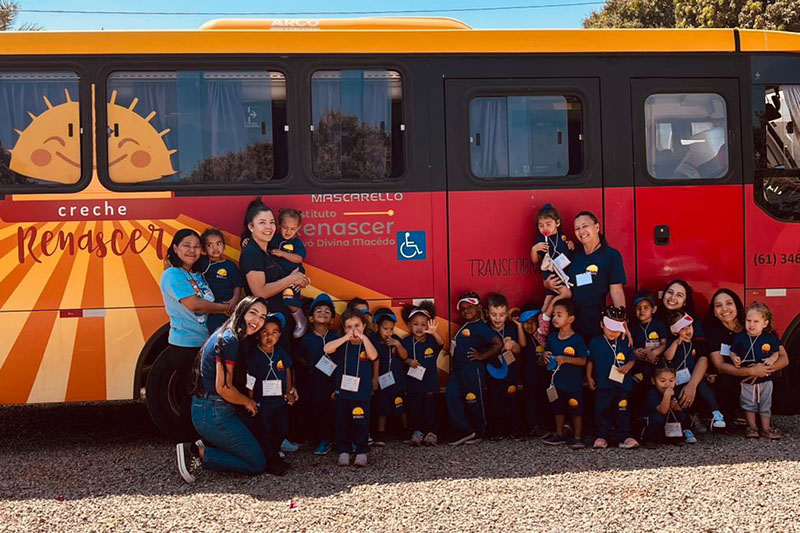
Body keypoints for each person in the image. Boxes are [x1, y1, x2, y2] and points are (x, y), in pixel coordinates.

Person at [175, 296, 268, 483]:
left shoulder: (230, 334)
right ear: (241, 312)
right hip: (213, 413)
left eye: (263, 317)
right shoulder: (230, 340)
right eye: (253, 313)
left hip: (216, 408)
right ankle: (196, 451)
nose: (257, 321)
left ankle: (209, 442)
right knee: (257, 463)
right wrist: (247, 401)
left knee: (260, 442)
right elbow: (223, 388)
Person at [705, 288, 789, 425]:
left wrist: (762, 370)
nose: (724, 309)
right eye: (718, 306)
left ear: (737, 306)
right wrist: (749, 371)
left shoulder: (754, 323)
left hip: (763, 378)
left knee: (787, 401)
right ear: (714, 312)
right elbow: (720, 366)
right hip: (734, 379)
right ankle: (736, 415)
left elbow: (784, 358)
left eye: (729, 303)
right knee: (725, 383)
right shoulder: (713, 333)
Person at [239, 198, 311, 350]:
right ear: (251, 226)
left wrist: (299, 280)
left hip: (279, 324)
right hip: (267, 330)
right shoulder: (252, 253)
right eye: (262, 223)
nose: (269, 227)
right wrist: (291, 279)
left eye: (271, 222)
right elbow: (260, 292)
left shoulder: (269, 251)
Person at [546, 211, 627, 339]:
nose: (581, 231)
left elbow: (616, 291)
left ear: (597, 227)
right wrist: (547, 283)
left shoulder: (611, 256)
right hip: (569, 322)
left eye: (585, 226)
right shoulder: (572, 253)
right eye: (577, 228)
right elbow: (553, 273)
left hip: (595, 321)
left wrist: (622, 322)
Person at [324, 308, 378, 467]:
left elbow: (374, 356)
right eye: (348, 326)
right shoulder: (342, 342)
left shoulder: (368, 342)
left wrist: (364, 338)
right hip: (343, 391)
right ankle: (344, 451)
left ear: (363, 326)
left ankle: (361, 451)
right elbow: (327, 349)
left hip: (361, 392)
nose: (353, 330)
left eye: (357, 325)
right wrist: (345, 337)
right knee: (342, 422)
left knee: (361, 421)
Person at [446, 292, 503, 446]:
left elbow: (498, 343)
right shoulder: (466, 326)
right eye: (463, 309)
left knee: (474, 400)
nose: (466, 311)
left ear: (478, 308)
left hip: (472, 370)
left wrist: (482, 356)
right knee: (452, 396)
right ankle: (464, 430)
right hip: (458, 370)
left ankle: (479, 430)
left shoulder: (480, 327)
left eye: (469, 307)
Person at [246, 312, 298, 475]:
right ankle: (270, 460)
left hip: (280, 401)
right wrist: (250, 399)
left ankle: (275, 454)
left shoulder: (281, 353)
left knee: (281, 429)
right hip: (264, 403)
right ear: (258, 335)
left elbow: (288, 370)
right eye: (265, 332)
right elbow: (251, 379)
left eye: (274, 332)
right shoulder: (255, 357)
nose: (270, 336)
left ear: (279, 335)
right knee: (265, 431)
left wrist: (290, 391)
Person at [664, 311, 726, 434]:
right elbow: (668, 357)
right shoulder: (674, 343)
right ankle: (686, 426)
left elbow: (696, 364)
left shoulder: (694, 344)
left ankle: (715, 412)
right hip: (676, 380)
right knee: (681, 401)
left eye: (689, 326)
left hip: (690, 377)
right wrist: (676, 343)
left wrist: (706, 374)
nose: (688, 330)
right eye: (683, 328)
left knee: (703, 387)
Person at [586, 306, 638, 449]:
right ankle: (602, 435)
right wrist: (589, 376)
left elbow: (632, 358)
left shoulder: (624, 341)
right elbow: (590, 360)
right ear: (602, 324)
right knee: (602, 409)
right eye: (610, 328)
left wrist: (627, 366)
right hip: (603, 384)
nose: (613, 332)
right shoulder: (595, 342)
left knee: (623, 409)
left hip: (622, 385)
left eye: (617, 329)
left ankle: (625, 435)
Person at [730, 302, 783, 439]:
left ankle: (766, 428)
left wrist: (772, 359)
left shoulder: (769, 337)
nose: (751, 325)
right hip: (747, 378)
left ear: (764, 323)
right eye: (749, 321)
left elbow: (776, 352)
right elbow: (732, 352)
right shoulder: (740, 337)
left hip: (766, 378)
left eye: (756, 321)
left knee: (766, 403)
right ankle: (752, 427)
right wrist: (735, 359)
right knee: (748, 403)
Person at [296, 293, 340, 456]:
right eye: (318, 311)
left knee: (338, 409)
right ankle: (324, 439)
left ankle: (341, 439)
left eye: (327, 312)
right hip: (316, 382)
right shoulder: (306, 339)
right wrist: (307, 364)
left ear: (332, 319)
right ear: (311, 318)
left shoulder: (337, 336)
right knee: (320, 409)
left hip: (335, 380)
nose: (323, 313)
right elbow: (298, 355)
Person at [542, 299, 587, 449]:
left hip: (573, 383)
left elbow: (583, 360)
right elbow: (547, 355)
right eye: (553, 314)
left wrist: (565, 359)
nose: (554, 318)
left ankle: (578, 437)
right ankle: (559, 434)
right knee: (558, 409)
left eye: (559, 315)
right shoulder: (553, 338)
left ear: (570, 319)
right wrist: (545, 355)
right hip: (557, 382)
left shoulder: (577, 339)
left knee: (576, 409)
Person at [401, 301, 444, 446]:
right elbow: (402, 358)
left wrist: (434, 333)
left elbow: (441, 344)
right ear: (409, 325)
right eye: (415, 324)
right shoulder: (406, 342)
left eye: (423, 324)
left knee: (430, 408)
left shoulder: (431, 340)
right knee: (414, 408)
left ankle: (432, 433)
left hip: (430, 382)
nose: (419, 327)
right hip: (413, 383)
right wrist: (409, 362)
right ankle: (417, 432)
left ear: (428, 325)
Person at [530, 204, 574, 336]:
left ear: (558, 223)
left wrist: (570, 245)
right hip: (552, 276)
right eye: (541, 225)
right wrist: (534, 249)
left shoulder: (563, 237)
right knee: (566, 294)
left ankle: (539, 329)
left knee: (547, 302)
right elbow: (535, 260)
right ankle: (545, 320)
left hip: (561, 274)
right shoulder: (540, 241)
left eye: (548, 224)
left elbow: (568, 253)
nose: (545, 228)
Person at [485, 293, 522, 439]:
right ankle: (496, 430)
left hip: (510, 372)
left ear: (506, 314)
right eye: (494, 314)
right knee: (494, 401)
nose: (497, 318)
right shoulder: (486, 330)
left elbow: (520, 350)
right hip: (492, 372)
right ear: (487, 314)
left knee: (511, 399)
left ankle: (513, 428)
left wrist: (513, 345)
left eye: (501, 314)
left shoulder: (511, 329)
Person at [370, 307, 409, 446]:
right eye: (385, 328)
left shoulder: (396, 339)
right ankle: (381, 433)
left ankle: (405, 430)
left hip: (397, 379)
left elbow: (405, 356)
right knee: (382, 406)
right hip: (381, 380)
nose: (388, 332)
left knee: (400, 404)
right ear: (376, 326)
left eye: (391, 329)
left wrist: (397, 344)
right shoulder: (372, 340)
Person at [268, 208, 309, 338]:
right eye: (285, 227)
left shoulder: (296, 242)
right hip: (280, 276)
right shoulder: (274, 239)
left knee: (289, 299)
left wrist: (282, 253)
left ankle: (300, 320)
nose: (288, 231)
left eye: (292, 229)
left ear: (298, 229)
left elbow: (299, 258)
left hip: (294, 274)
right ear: (279, 226)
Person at [197, 228, 244, 334]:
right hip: (212, 309)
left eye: (218, 244)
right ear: (204, 248)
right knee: (215, 336)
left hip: (229, 306)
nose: (215, 248)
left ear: (224, 245)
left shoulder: (230, 265)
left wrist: (234, 299)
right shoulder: (203, 263)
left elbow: (237, 285)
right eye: (210, 245)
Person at [629, 291, 668, 414]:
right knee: (636, 385)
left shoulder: (659, 325)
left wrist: (655, 352)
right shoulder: (633, 327)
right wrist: (635, 351)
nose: (642, 311)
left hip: (656, 365)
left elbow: (663, 343)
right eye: (638, 308)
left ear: (654, 309)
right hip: (640, 366)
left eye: (646, 308)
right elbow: (629, 346)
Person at [517, 305, 551, 439]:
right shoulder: (524, 337)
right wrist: (519, 326)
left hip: (542, 373)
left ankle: (544, 424)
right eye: (526, 323)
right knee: (530, 400)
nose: (529, 326)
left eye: (533, 322)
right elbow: (523, 345)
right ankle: (532, 425)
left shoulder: (542, 336)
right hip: (529, 374)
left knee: (543, 398)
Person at [639, 367, 690, 446]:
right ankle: (650, 439)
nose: (667, 384)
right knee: (658, 417)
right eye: (662, 381)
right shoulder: (653, 393)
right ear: (654, 381)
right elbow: (662, 410)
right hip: (652, 424)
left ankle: (674, 437)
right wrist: (667, 395)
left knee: (681, 415)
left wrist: (677, 407)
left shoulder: (675, 391)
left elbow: (681, 409)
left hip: (667, 425)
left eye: (671, 380)